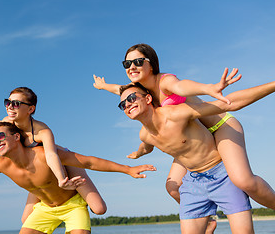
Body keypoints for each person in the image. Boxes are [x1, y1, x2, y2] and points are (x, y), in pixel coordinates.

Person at [93, 43, 275, 212]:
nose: (132, 67)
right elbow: (119, 89)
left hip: (220, 127)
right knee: (173, 187)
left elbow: (181, 86)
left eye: (138, 61)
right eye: (127, 63)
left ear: (152, 65)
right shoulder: (138, 92)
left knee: (243, 180)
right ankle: (207, 217)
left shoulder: (165, 82)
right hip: (193, 138)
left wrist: (208, 88)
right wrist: (102, 86)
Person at [0, 121, 156, 234]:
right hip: (44, 208)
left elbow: (89, 161)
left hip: (71, 205)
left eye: (0, 136)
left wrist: (127, 169)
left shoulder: (44, 154)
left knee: (97, 210)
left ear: (16, 137)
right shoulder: (0, 164)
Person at [118, 80, 275, 234]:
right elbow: (146, 147)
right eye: (122, 104)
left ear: (148, 98)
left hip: (222, 175)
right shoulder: (144, 135)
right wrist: (137, 154)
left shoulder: (175, 114)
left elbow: (229, 104)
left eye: (131, 98)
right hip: (193, 183)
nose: (127, 104)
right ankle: (209, 222)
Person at [0, 87, 107, 219]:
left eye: (16, 104)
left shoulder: (41, 130)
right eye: (8, 103)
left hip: (63, 161)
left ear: (31, 109)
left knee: (99, 208)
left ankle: (76, 202)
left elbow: (51, 155)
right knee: (25, 220)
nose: (10, 107)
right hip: (41, 173)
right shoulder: (8, 122)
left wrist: (61, 179)